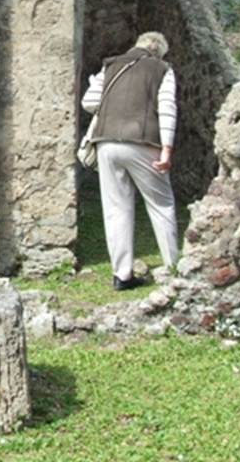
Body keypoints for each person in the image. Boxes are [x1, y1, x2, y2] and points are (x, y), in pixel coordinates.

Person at [81, 31, 178, 291]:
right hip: (143, 142)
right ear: (159, 52)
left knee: (116, 209)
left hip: (106, 142)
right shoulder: (162, 69)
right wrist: (167, 149)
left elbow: (88, 102)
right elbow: (167, 108)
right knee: (161, 204)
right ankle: (173, 268)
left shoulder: (111, 65)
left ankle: (122, 275)